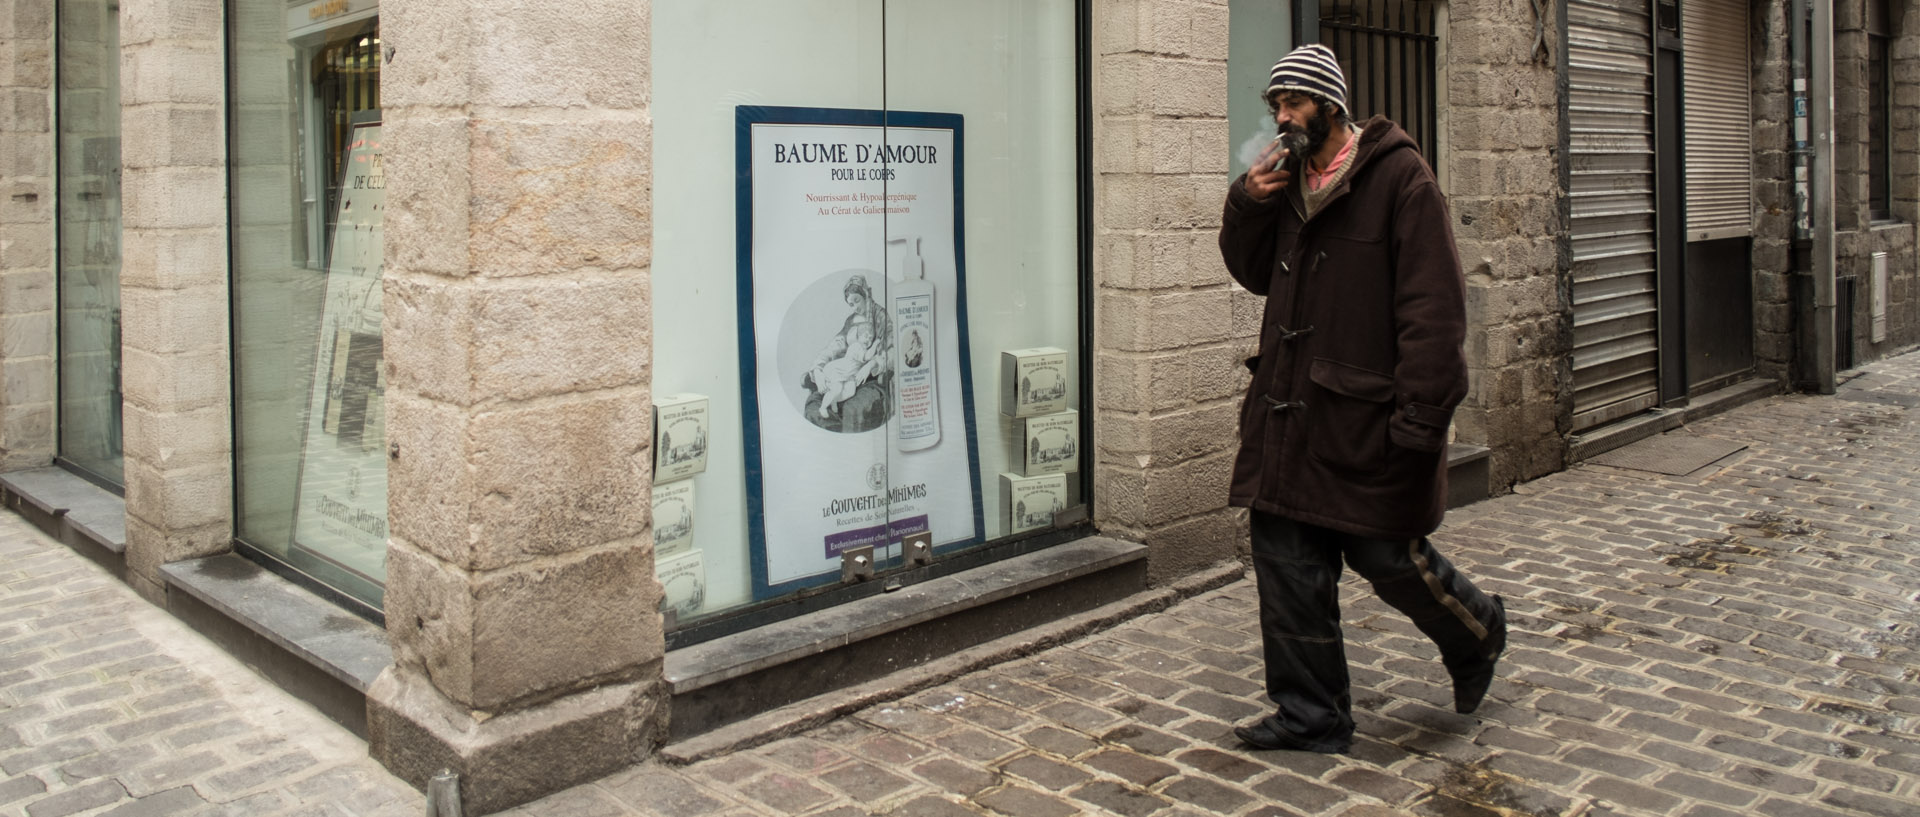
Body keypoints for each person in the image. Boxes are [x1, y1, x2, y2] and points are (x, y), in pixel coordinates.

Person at [1217, 43, 1507, 754]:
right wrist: (1245, 203)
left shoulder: (1402, 179)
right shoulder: (1285, 182)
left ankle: (1479, 632)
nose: (1282, 116)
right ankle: (1311, 713)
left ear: (1332, 106)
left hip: (1365, 420)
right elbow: (1253, 273)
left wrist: (1421, 421)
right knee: (1287, 564)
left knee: (1389, 558)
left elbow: (1434, 311)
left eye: (1295, 103)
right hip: (1289, 412)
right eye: (1276, 104)